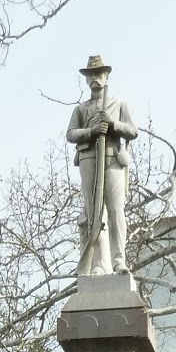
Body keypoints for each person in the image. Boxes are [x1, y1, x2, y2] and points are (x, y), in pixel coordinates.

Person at [66, 55, 138, 276]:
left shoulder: (118, 103)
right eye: (91, 75)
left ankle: (119, 261)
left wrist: (112, 124)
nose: (95, 78)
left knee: (116, 211)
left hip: (112, 157)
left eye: (99, 74)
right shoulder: (81, 109)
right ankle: (98, 264)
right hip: (89, 158)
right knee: (93, 213)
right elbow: (70, 134)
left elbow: (132, 131)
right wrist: (92, 131)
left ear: (106, 76)